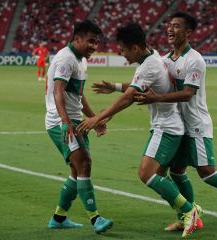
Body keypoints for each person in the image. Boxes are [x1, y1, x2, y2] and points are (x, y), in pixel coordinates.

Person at [134, 12, 217, 231]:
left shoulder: (195, 60)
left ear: (188, 32)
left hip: (196, 124)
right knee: (177, 171)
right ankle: (190, 216)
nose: (170, 30)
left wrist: (157, 98)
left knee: (207, 173)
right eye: (169, 26)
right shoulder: (164, 61)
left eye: (176, 26)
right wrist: (118, 88)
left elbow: (188, 93)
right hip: (178, 125)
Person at [77, 22, 201, 238]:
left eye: (123, 49)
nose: (121, 53)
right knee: (161, 175)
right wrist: (114, 89)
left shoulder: (149, 65)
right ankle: (188, 212)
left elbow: (128, 98)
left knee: (147, 174)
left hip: (167, 127)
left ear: (134, 47)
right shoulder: (152, 57)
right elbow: (136, 91)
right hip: (166, 125)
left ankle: (189, 211)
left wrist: (98, 117)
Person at [45, 19, 113, 234]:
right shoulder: (66, 59)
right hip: (61, 121)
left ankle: (58, 218)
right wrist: (65, 122)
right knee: (84, 163)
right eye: (90, 41)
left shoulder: (81, 60)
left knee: (77, 170)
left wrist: (95, 119)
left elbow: (78, 95)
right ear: (77, 39)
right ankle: (95, 219)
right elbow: (58, 92)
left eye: (97, 42)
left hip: (76, 120)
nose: (94, 46)